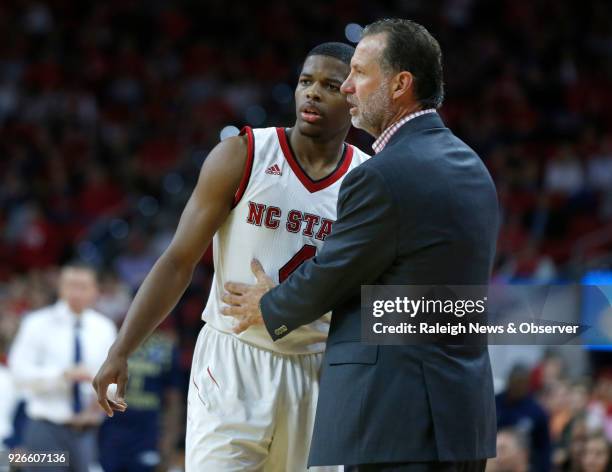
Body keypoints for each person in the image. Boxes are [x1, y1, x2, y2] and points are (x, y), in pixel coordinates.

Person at [221, 18, 499, 471]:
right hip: (461, 418)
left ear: (400, 85)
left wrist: (268, 305)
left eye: (360, 73)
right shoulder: (472, 167)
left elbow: (333, 273)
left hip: (394, 421)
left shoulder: (383, 174)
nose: (347, 87)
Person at [93, 42, 370, 471]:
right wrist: (122, 348)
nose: (312, 93)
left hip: (317, 369)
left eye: (330, 85)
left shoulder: (367, 180)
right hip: (233, 359)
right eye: (304, 81)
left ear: (355, 97)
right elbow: (177, 260)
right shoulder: (243, 154)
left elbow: (373, 290)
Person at [8, 263, 117, 472]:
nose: (76, 292)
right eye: (70, 285)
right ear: (60, 288)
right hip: (46, 427)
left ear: (95, 290)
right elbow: (19, 372)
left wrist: (95, 390)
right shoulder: (37, 323)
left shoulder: (104, 328)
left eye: (83, 286)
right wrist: (62, 376)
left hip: (88, 431)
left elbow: (115, 385)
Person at [98, 327, 182, 472]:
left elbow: (174, 398)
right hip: (113, 428)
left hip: (148, 430)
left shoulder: (166, 348)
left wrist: (169, 439)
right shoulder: (113, 342)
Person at [496, 364, 551, 472]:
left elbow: (544, 446)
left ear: (527, 384)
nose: (517, 387)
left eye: (521, 383)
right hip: (496, 460)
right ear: (509, 381)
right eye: (515, 382)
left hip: (525, 463)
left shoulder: (536, 411)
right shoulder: (494, 403)